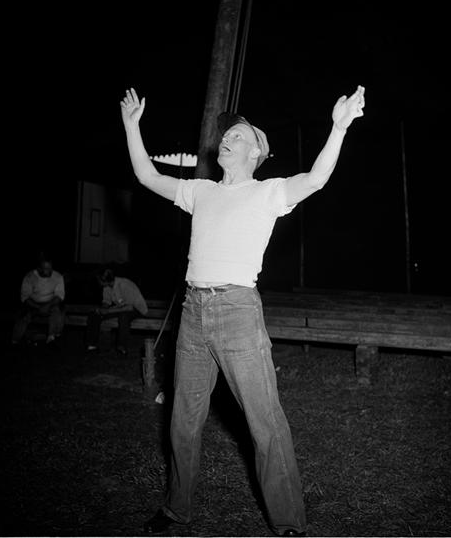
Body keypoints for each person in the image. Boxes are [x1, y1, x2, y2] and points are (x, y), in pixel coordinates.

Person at [120, 84, 365, 536]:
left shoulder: (268, 192)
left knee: (264, 421)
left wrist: (339, 127)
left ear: (256, 152)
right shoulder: (200, 191)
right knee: (182, 420)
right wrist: (132, 126)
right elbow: (146, 176)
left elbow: (316, 179)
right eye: (226, 135)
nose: (227, 139)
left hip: (237, 312)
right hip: (193, 312)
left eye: (238, 135)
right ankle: (176, 509)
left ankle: (289, 523)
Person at [85, 268, 148, 356]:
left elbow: (129, 307)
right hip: (122, 308)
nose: (98, 282)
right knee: (95, 314)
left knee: (123, 316)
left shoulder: (124, 284)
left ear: (104, 280)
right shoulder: (107, 286)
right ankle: (92, 346)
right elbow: (106, 301)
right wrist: (102, 309)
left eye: (99, 280)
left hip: (137, 309)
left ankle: (121, 347)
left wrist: (108, 310)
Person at [11, 252, 65, 347]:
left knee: (58, 310)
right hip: (33, 303)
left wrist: (48, 305)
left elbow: (59, 296)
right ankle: (15, 340)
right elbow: (25, 297)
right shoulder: (30, 277)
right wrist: (38, 307)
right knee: (23, 314)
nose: (49, 271)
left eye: (50, 268)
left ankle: (51, 337)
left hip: (51, 303)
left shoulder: (58, 277)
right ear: (39, 269)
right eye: (46, 269)